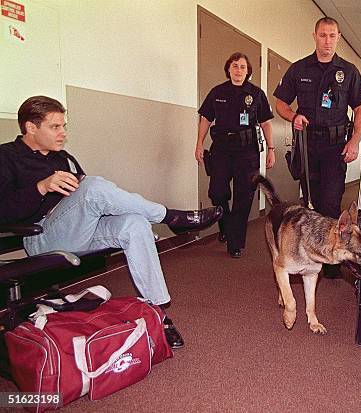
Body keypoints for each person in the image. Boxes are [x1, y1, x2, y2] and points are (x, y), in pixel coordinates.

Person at [0, 96, 225, 348]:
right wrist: (40, 187)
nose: (63, 133)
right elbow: (5, 213)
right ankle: (171, 217)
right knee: (94, 187)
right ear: (31, 127)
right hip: (41, 235)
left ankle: (157, 314)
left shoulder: (61, 157)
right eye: (55, 127)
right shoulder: (6, 157)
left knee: (135, 223)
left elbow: (85, 201)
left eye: (64, 126)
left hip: (77, 231)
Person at [273, 17, 361, 278]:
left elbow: (360, 108)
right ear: (314, 36)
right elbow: (279, 103)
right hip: (307, 144)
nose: (327, 40)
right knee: (311, 201)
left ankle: (332, 262)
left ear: (338, 37)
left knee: (330, 199)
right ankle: (312, 252)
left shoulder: (349, 71)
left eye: (332, 35)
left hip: (335, 145)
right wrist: (293, 116)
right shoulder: (299, 69)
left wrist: (355, 140)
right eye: (323, 35)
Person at [195, 52, 275, 258]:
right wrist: (198, 144)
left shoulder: (256, 94)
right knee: (217, 191)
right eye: (235, 66)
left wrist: (271, 149)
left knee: (244, 197)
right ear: (228, 69)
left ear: (248, 71)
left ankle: (235, 242)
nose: (238, 70)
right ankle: (226, 225)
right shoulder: (217, 92)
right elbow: (205, 118)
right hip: (221, 149)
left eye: (242, 67)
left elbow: (266, 122)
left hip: (247, 151)